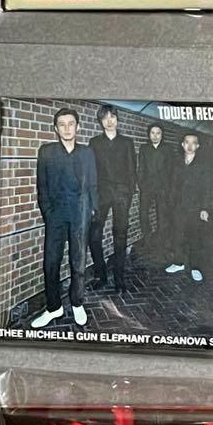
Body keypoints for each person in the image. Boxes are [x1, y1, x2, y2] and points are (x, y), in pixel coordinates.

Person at [32, 108, 97, 328]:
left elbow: (93, 184)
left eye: (71, 124)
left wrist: (92, 210)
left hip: (80, 214)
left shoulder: (87, 153)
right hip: (56, 215)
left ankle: (77, 303)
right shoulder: (47, 152)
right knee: (51, 262)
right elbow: (41, 185)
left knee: (78, 262)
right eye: (62, 124)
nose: (67, 128)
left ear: (77, 127)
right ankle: (54, 307)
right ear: (56, 128)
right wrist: (48, 213)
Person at [87, 105, 137, 293]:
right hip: (101, 195)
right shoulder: (94, 143)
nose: (109, 121)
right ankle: (101, 276)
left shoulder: (127, 143)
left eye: (112, 117)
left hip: (122, 195)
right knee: (94, 236)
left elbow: (132, 170)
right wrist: (92, 197)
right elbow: (91, 172)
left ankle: (119, 279)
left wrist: (128, 194)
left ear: (117, 119)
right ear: (101, 122)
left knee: (120, 236)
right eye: (105, 118)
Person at [164, 132, 213, 283]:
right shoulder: (176, 163)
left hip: (195, 208)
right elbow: (171, 185)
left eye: (193, 142)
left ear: (197, 146)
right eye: (187, 142)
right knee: (177, 236)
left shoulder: (204, 165)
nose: (190, 145)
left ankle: (195, 268)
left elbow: (208, 188)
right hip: (178, 207)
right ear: (182, 144)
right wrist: (171, 204)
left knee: (195, 238)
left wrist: (205, 208)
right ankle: (179, 263)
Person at [137, 121, 173, 264]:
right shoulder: (144, 148)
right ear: (149, 134)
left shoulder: (167, 149)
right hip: (147, 188)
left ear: (162, 135)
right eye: (152, 133)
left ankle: (161, 244)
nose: (155, 136)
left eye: (158, 133)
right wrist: (142, 185)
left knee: (162, 216)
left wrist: (168, 187)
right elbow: (141, 168)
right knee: (143, 213)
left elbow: (171, 170)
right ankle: (148, 241)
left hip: (162, 188)